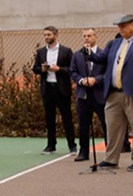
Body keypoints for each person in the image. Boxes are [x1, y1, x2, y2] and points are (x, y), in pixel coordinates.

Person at [91, 14, 133, 171]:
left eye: (124, 26)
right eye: (119, 27)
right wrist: (89, 54)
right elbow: (101, 58)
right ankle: (111, 159)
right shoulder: (114, 43)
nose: (121, 30)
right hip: (114, 93)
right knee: (113, 127)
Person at [32, 26, 77, 155]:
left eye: (49, 35)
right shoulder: (41, 52)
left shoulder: (66, 51)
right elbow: (35, 69)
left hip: (62, 89)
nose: (46, 37)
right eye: (45, 35)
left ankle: (72, 145)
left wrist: (59, 69)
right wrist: (42, 69)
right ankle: (51, 145)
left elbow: (72, 69)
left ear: (56, 35)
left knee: (67, 117)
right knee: (49, 118)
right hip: (47, 89)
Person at [71, 28, 108, 164]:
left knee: (106, 124)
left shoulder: (103, 54)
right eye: (84, 36)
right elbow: (73, 72)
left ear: (96, 37)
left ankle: (109, 153)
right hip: (83, 94)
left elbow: (108, 73)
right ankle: (84, 152)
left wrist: (96, 80)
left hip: (99, 94)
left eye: (90, 35)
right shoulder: (77, 55)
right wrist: (82, 80)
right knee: (83, 125)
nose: (87, 38)